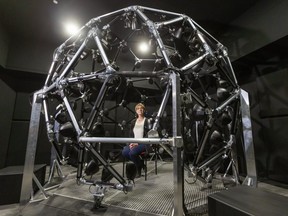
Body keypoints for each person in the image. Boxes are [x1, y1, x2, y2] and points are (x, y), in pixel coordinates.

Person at [122, 103, 150, 178]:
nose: (139, 110)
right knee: (124, 152)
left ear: (144, 110)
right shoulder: (133, 122)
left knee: (132, 153)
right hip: (133, 143)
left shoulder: (147, 121)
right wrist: (131, 143)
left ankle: (138, 169)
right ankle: (140, 163)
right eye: (138, 108)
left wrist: (138, 144)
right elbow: (131, 134)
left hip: (143, 144)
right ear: (136, 111)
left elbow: (148, 134)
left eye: (141, 108)